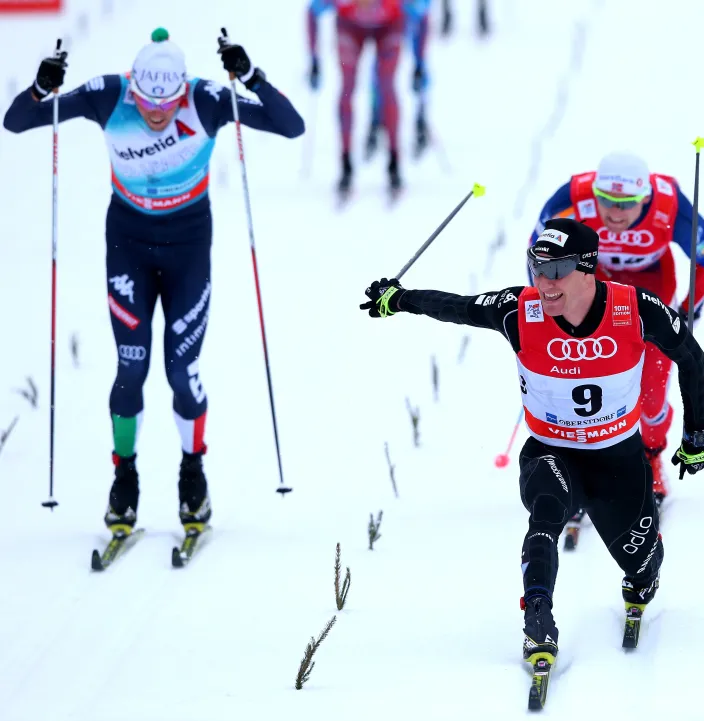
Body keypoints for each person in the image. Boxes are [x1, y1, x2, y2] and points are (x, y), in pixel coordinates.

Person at [360, 217, 704, 664]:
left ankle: (640, 581)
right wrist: (400, 299)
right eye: (537, 269)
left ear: (589, 269)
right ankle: (538, 619)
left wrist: (696, 436)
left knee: (643, 565)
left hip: (618, 458)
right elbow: (458, 306)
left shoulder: (636, 308)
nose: (544, 283)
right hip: (551, 450)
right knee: (545, 513)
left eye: (557, 270)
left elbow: (692, 358)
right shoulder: (519, 309)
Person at [3, 28, 304, 538]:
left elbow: (290, 126)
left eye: (166, 103)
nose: (156, 113)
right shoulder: (108, 94)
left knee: (181, 370)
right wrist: (40, 88)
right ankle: (125, 477)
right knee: (130, 368)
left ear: (182, 89)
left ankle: (193, 471)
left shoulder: (206, 98)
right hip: (129, 245)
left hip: (189, 250)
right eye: (146, 102)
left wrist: (250, 76)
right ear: (134, 88)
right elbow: (17, 121)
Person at [528, 152, 704, 516]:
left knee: (649, 395)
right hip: (591, 284)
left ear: (644, 197)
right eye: (607, 201)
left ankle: (650, 461)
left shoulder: (670, 207)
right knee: (581, 378)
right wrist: (549, 303)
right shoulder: (572, 199)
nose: (615, 213)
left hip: (652, 286)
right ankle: (578, 464)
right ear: (594, 193)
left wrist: (689, 310)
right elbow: (536, 253)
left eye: (627, 204)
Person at [308, 0, 405, 196]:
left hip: (389, 26)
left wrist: (421, 63)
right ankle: (346, 163)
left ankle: (394, 161)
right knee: (347, 87)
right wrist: (314, 58)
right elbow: (312, 12)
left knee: (386, 86)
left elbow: (423, 10)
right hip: (350, 27)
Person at [365, 0, 431, 158]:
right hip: (389, 18)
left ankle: (421, 117)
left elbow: (423, 14)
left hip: (410, 15)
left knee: (420, 66)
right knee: (379, 69)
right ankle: (375, 118)